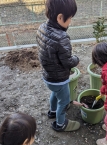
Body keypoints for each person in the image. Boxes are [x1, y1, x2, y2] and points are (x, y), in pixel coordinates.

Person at [36, 0, 80, 132]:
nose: (70, 22)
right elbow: (68, 62)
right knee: (64, 100)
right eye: (70, 18)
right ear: (60, 17)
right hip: (59, 79)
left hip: (47, 76)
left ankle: (52, 111)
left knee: (55, 94)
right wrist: (76, 59)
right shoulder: (62, 37)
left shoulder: (41, 28)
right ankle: (61, 124)